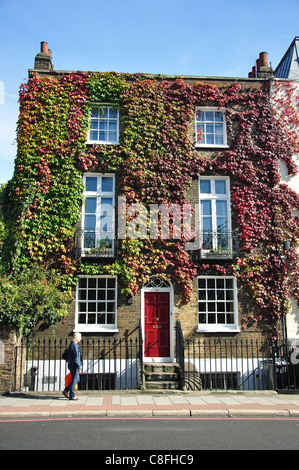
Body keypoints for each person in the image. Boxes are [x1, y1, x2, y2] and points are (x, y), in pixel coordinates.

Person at [63, 332, 82, 400]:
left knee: (76, 379)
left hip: (72, 364)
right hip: (74, 365)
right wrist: (79, 367)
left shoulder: (72, 345)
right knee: (75, 379)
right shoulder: (74, 345)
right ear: (77, 338)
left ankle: (66, 390)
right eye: (80, 337)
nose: (80, 339)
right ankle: (72, 395)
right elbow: (76, 358)